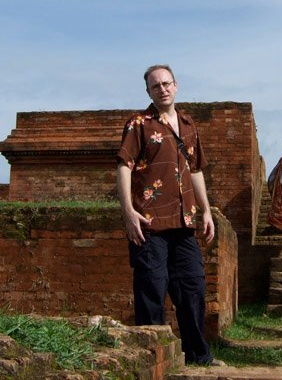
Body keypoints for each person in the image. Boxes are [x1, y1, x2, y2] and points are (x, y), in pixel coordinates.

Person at [116, 64, 222, 366]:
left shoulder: (189, 125)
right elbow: (124, 165)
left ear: (176, 86)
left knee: (193, 287)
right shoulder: (138, 124)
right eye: (155, 86)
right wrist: (128, 212)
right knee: (152, 289)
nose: (162, 89)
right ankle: (152, 359)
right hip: (149, 223)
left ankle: (197, 355)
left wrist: (207, 211)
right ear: (148, 92)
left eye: (166, 83)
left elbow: (196, 170)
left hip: (184, 222)